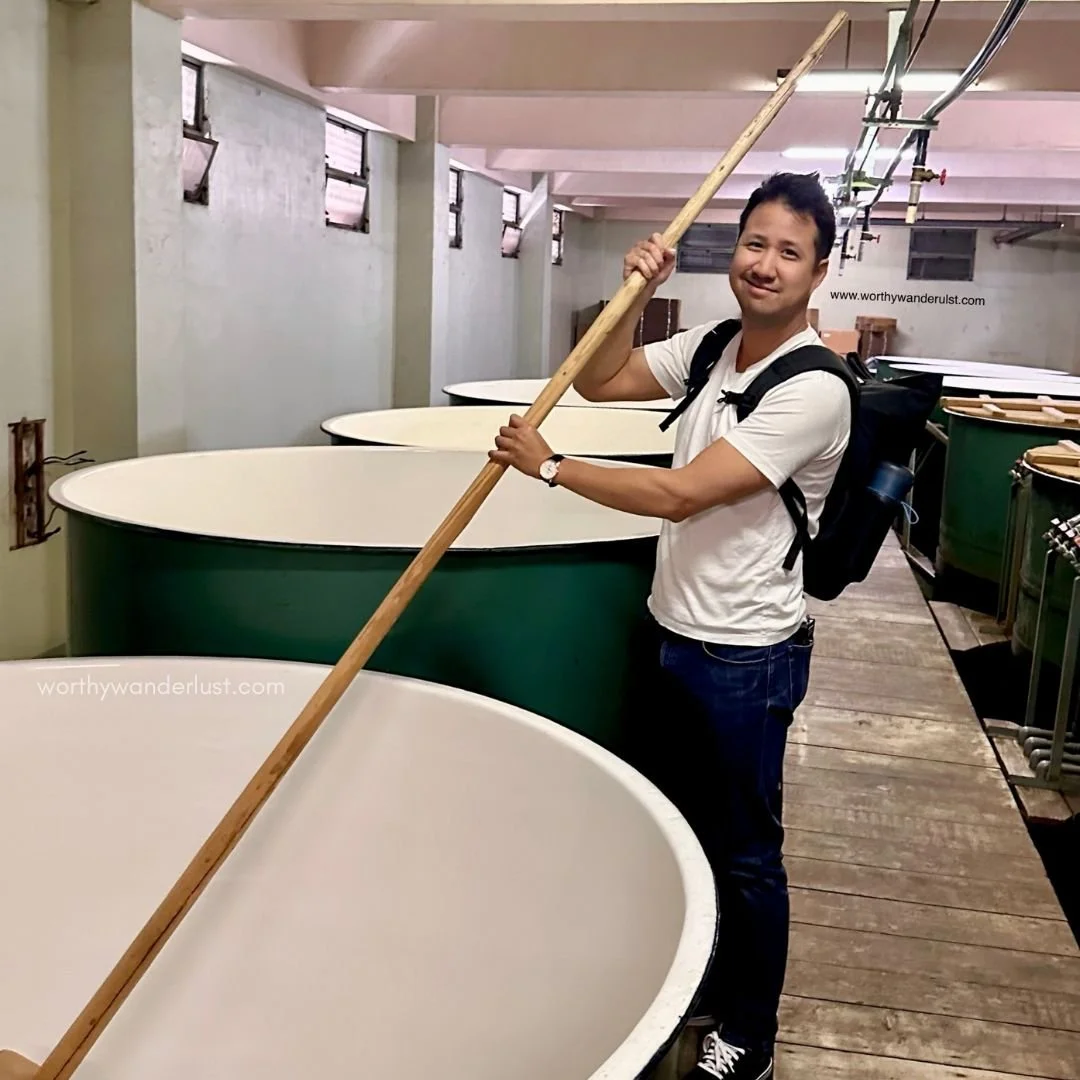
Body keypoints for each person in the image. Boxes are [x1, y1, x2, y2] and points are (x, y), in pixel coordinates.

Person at [489, 172, 851, 1080]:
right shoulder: (716, 344)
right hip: (673, 629)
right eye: (754, 243)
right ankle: (697, 981)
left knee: (747, 856)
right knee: (684, 829)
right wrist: (637, 289)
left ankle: (749, 1040)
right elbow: (599, 376)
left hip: (746, 654)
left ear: (818, 271)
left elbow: (684, 494)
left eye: (788, 251)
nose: (764, 264)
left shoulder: (814, 388)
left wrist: (550, 468)